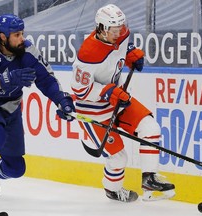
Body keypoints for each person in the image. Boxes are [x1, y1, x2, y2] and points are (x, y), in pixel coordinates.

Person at [0, 14, 75, 209]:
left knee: (16, 168)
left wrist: (61, 100)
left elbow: (46, 79)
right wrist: (3, 81)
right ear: (2, 37)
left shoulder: (27, 51)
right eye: (16, 34)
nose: (22, 38)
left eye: (22, 33)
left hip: (11, 107)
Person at [70, 4, 175, 202]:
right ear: (101, 28)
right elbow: (80, 90)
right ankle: (113, 189)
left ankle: (149, 178)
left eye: (121, 28)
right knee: (119, 158)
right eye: (114, 30)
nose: (119, 33)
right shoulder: (87, 53)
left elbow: (123, 48)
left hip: (118, 101)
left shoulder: (121, 34)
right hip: (93, 110)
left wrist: (131, 54)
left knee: (150, 127)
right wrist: (108, 91)